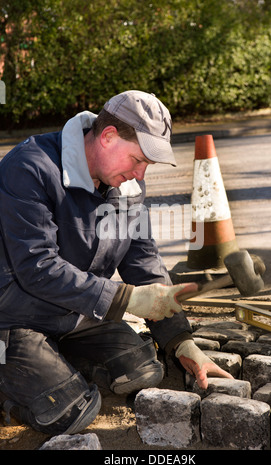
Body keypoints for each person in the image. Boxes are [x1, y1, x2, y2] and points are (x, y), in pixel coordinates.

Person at [0, 90, 232, 436]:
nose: (140, 173)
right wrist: (124, 299)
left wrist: (180, 340)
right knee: (68, 411)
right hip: (14, 315)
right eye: (138, 160)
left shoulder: (128, 183)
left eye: (146, 166)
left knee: (143, 369)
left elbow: (143, 258)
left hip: (74, 314)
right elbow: (38, 267)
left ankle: (54, 361)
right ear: (108, 137)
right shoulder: (30, 168)